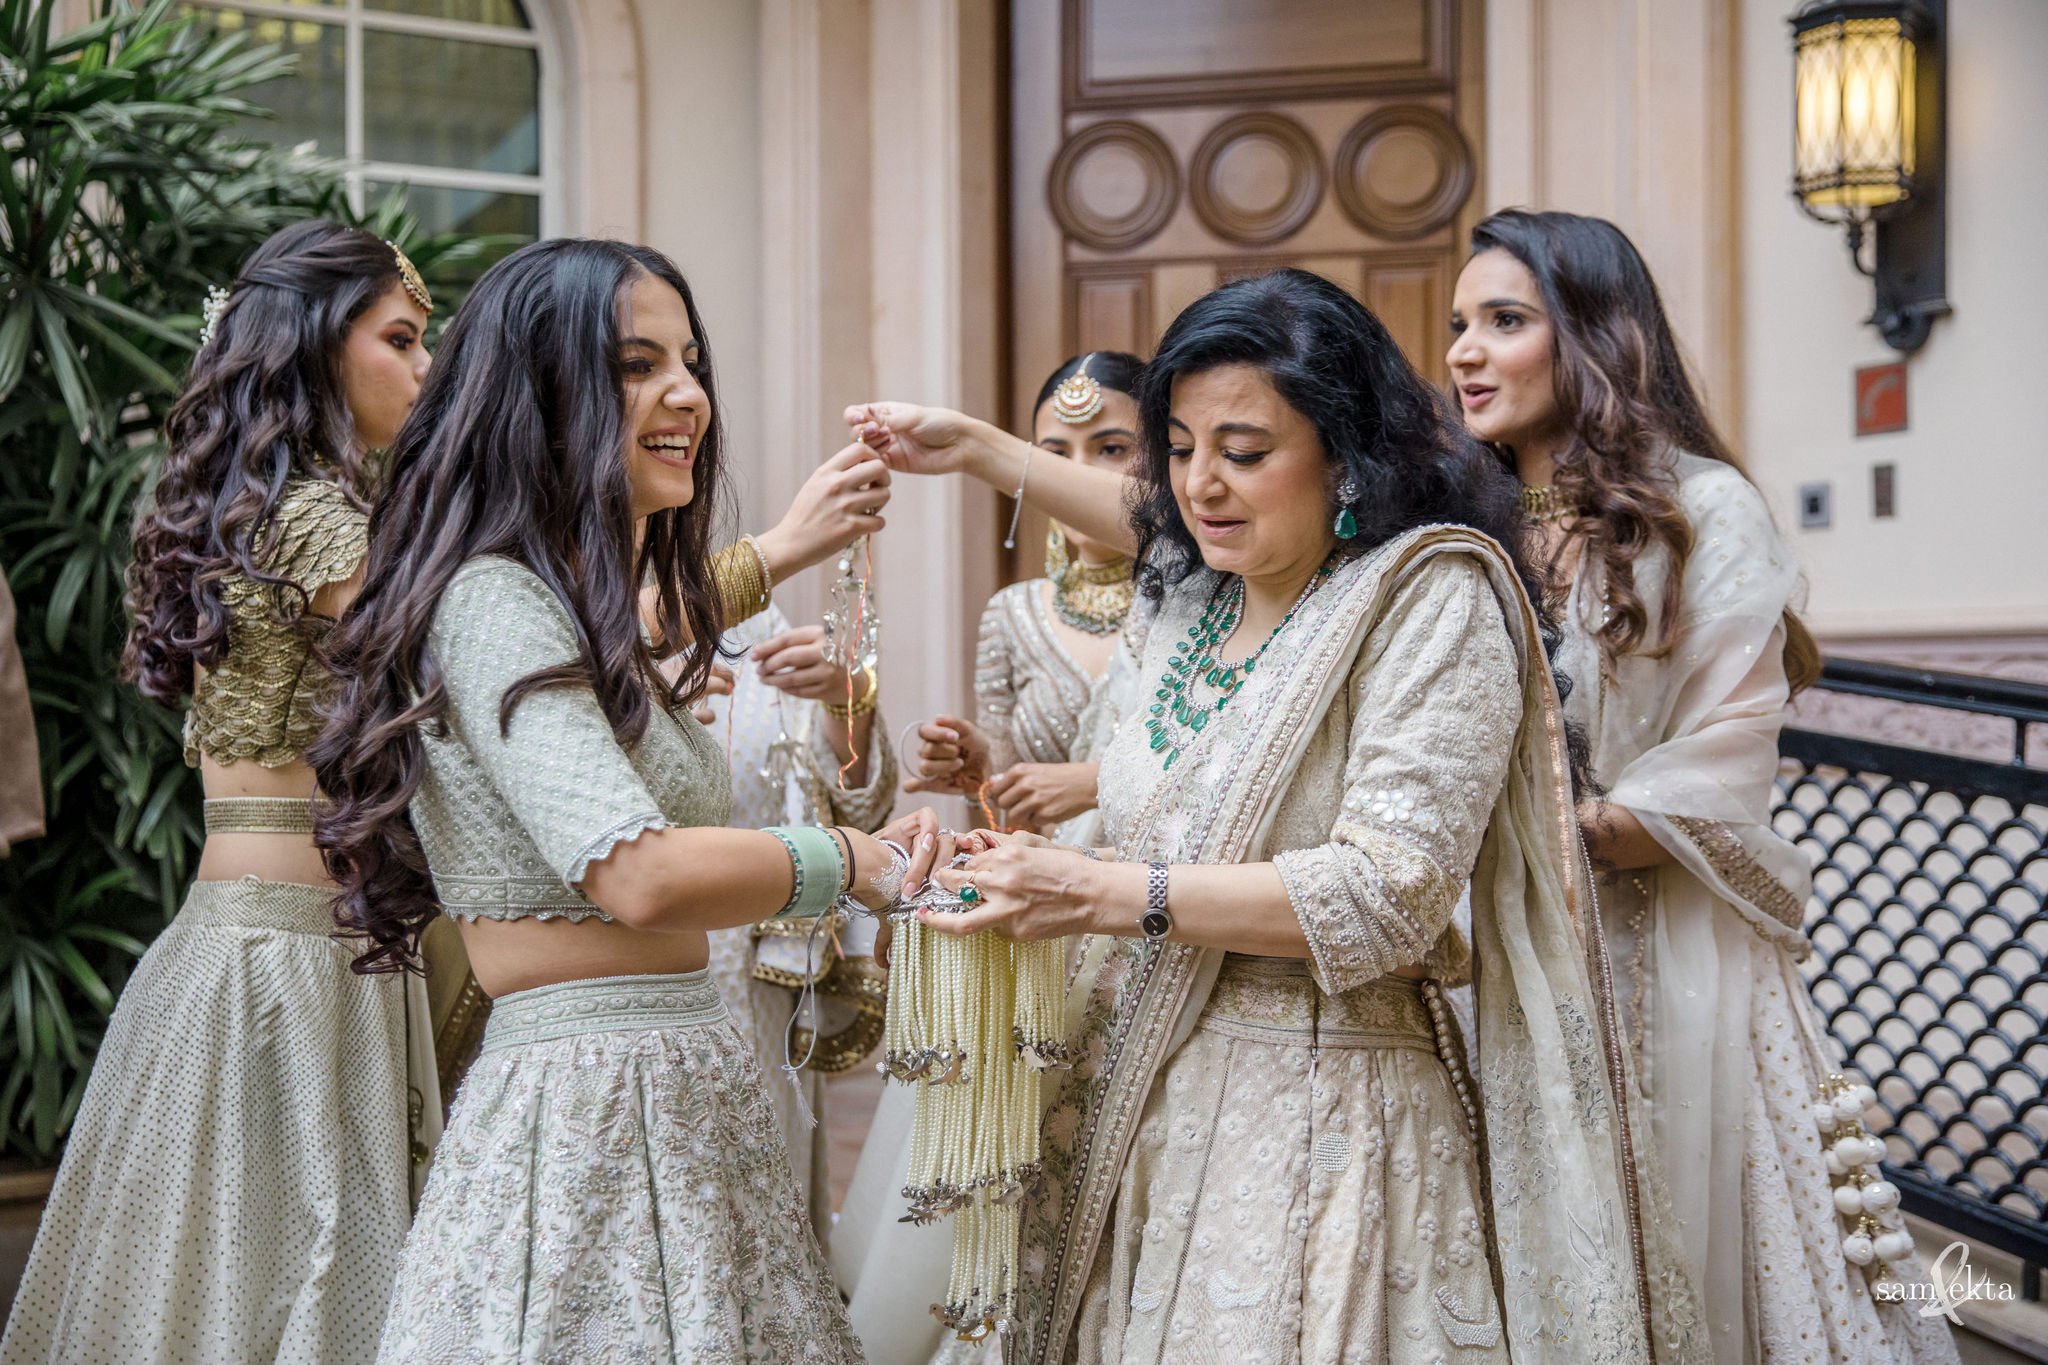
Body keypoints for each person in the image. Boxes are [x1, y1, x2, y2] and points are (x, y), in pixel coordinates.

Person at [847, 269, 1696, 1364]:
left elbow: (1389, 892)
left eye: (1243, 452)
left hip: (1317, 1123)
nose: (1200, 483)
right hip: (1123, 1106)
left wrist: (1096, 894)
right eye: (1181, 446)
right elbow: (1128, 818)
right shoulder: (1181, 600)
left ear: (1346, 454)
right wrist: (991, 860)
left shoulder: (1427, 597)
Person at [311, 238, 938, 1362]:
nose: (687, 395)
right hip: (585, 1111)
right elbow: (637, 873)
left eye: (689, 362)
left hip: (685, 1081)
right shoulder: (492, 598)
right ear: (536, 394)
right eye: (635, 366)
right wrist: (861, 863)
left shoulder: (571, 602)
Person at [1447, 208, 1957, 1364]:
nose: (1463, 352)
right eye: (1457, 325)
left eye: (1503, 322)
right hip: (1481, 959)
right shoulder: (1447, 531)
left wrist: (1537, 839)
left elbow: (1721, 750)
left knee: (1688, 1248)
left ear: (1592, 336)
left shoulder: (1698, 511)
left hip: (1658, 958)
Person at [2, 221, 436, 1365]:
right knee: (295, 1289)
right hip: (295, 962)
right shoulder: (315, 519)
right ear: (318, 348)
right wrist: (757, 561)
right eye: (402, 339)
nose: (426, 369)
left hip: (259, 945)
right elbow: (481, 656)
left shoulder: (263, 502)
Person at [701, 603, 896, 1230]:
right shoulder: (545, 605)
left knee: (756, 1214)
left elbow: (853, 801)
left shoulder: (751, 627)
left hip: (751, 984)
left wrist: (851, 701)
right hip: (609, 966)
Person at [907, 352, 1144, 836]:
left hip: (1172, 898)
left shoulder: (1205, 603)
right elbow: (1005, 818)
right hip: (1047, 894)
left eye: (1112, 449)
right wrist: (980, 767)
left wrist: (1098, 783)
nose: (1078, 475)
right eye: (1055, 457)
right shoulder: (1012, 614)